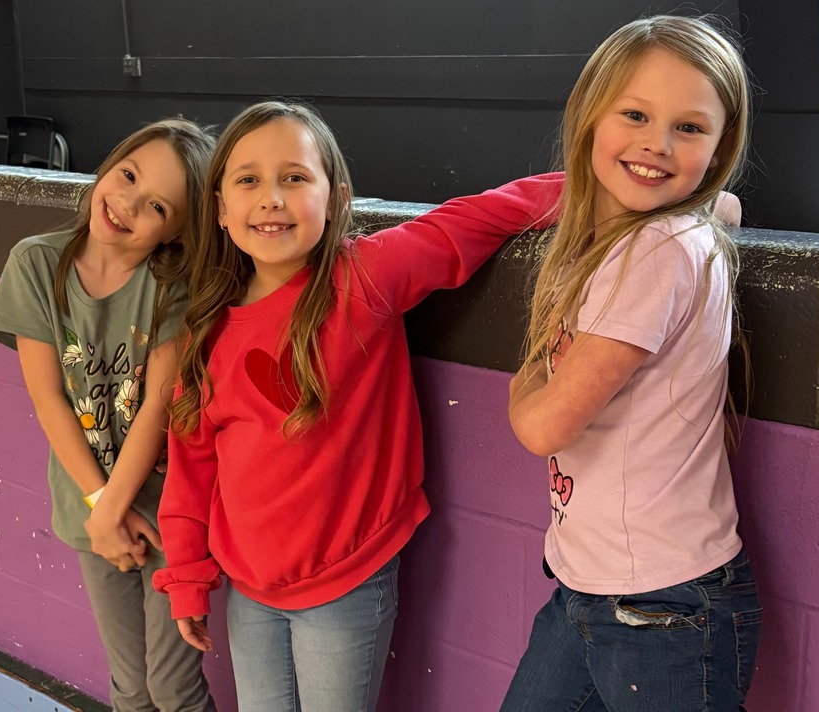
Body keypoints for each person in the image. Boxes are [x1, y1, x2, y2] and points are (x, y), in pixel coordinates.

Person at [151, 100, 563, 712]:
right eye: (248, 180)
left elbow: (482, 217)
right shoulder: (205, 332)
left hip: (346, 583)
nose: (271, 197)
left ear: (336, 196)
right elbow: (191, 470)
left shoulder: (365, 277)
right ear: (218, 208)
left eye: (295, 176)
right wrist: (187, 577)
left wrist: (626, 196)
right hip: (248, 588)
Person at [500, 15, 762, 712]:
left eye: (689, 129)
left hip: (660, 608)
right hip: (591, 590)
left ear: (719, 146)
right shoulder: (665, 234)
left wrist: (529, 372)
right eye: (638, 115)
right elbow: (725, 207)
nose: (657, 144)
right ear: (591, 116)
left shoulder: (656, 252)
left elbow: (544, 427)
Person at [0, 118, 217, 712]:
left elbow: (159, 407)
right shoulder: (36, 264)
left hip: (169, 511)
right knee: (131, 689)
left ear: (179, 231)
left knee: (173, 687)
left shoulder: (172, 287)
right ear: (110, 162)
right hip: (90, 509)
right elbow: (49, 399)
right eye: (128, 175)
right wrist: (100, 508)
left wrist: (115, 509)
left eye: (157, 206)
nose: (126, 203)